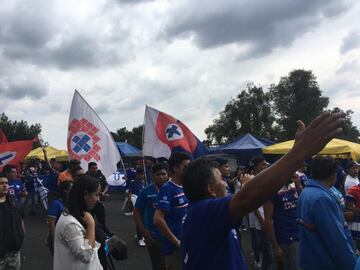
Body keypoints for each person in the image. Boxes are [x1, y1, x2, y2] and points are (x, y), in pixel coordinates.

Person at [180, 112, 343, 270]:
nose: (225, 183)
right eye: (221, 180)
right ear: (211, 190)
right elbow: (248, 197)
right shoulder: (203, 212)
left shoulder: (202, 214)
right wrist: (299, 153)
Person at [298, 156, 357, 270]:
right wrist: (352, 265)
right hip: (324, 262)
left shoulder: (307, 191)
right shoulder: (321, 198)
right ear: (333, 175)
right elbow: (335, 239)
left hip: (312, 259)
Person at [53, 175, 102, 270]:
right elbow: (86, 256)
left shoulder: (77, 214)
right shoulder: (70, 224)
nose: (98, 199)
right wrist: (91, 225)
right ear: (85, 194)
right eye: (96, 195)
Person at [153, 152, 191, 270]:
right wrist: (176, 242)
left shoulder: (186, 186)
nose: (189, 170)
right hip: (174, 248)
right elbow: (157, 219)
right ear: (175, 168)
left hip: (187, 242)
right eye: (186, 167)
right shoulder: (168, 189)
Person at [134, 163, 168, 270]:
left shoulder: (172, 190)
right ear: (152, 176)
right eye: (158, 174)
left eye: (164, 174)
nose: (161, 177)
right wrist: (143, 231)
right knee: (158, 264)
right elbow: (137, 212)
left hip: (171, 233)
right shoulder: (145, 192)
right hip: (153, 235)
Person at [263, 173, 301, 270]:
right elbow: (268, 220)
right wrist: (275, 246)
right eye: (291, 170)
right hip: (286, 239)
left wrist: (299, 186)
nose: (294, 173)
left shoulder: (292, 186)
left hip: (299, 234)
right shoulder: (271, 190)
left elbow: (301, 204)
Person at [248, 156, 273, 270]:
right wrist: (261, 219)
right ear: (256, 166)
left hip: (265, 217)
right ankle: (259, 261)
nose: (266, 166)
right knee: (264, 244)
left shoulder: (264, 178)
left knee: (265, 244)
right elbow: (251, 203)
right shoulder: (252, 180)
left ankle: (260, 260)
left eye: (266, 164)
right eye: (263, 164)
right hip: (259, 217)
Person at [0, 175, 25, 270]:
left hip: (14, 251)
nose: (5, 185)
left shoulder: (13, 200)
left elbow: (20, 218)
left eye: (6, 183)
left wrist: (22, 235)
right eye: (1, 183)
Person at [46, 181, 73, 255]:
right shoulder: (55, 204)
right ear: (66, 191)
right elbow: (51, 223)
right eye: (72, 188)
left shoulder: (69, 202)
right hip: (59, 237)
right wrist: (54, 239)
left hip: (69, 236)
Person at [128, 167, 147, 246]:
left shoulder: (144, 182)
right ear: (137, 174)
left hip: (143, 202)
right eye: (141, 174)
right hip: (136, 201)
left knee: (144, 220)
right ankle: (140, 238)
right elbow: (130, 192)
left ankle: (140, 234)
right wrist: (129, 201)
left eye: (143, 174)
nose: (142, 176)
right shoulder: (133, 182)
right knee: (139, 220)